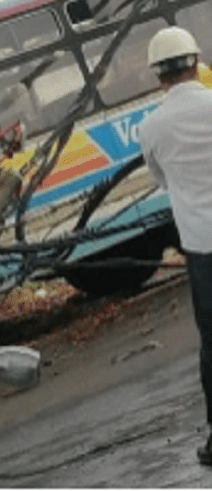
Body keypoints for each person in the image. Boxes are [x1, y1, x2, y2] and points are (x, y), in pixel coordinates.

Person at [139, 26, 212, 466]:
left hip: (202, 248)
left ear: (158, 76)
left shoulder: (150, 128)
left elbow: (162, 180)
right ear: (196, 62)